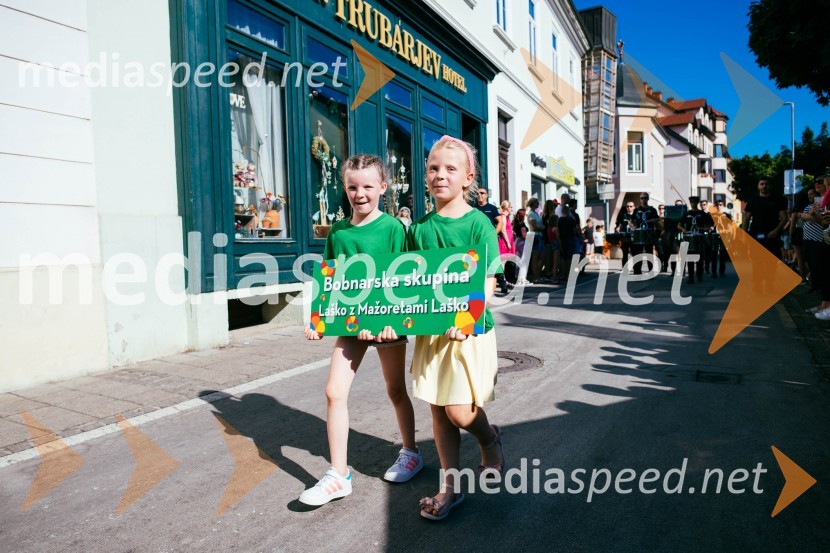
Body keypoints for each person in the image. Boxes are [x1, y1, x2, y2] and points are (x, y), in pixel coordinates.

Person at [299, 154, 422, 506]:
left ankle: (411, 452)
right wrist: (318, 320)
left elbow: (409, 278)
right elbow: (328, 275)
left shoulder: (395, 229)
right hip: (350, 322)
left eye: (368, 186)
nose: (360, 194)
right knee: (334, 391)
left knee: (396, 389)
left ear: (383, 187)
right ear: (344, 188)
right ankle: (339, 474)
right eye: (353, 187)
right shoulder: (337, 231)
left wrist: (394, 321)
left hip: (386, 322)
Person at [409, 136, 504, 521]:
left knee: (460, 411)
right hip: (433, 330)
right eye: (433, 168)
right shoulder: (419, 228)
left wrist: (466, 321)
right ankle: (450, 488)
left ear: (468, 178)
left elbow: (488, 280)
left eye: (450, 169)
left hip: (470, 328)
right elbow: (406, 283)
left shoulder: (478, 222)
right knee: (438, 408)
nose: (440, 175)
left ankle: (489, 439)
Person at [742, 178, 788, 258]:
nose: (764, 186)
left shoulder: (778, 200)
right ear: (758, 186)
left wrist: (776, 231)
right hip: (756, 236)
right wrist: (744, 235)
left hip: (773, 237)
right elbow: (746, 218)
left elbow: (784, 218)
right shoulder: (753, 201)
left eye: (767, 184)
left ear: (771, 186)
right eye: (762, 184)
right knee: (757, 264)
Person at [476, 188, 509, 294]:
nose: (479, 195)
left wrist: (493, 234)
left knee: (494, 262)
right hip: (477, 240)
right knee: (478, 262)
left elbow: (500, 222)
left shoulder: (492, 208)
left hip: (490, 240)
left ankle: (503, 285)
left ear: (486, 195)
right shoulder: (473, 209)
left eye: (482, 193)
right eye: (477, 193)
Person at [679, 196, 707, 284]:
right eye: (691, 201)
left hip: (699, 237)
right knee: (690, 257)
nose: (693, 203)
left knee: (700, 258)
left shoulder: (702, 213)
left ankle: (699, 276)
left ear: (697, 202)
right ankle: (691, 277)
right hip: (689, 238)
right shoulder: (687, 214)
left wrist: (706, 228)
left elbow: (709, 224)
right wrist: (684, 230)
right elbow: (679, 225)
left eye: (695, 201)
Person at [632, 193, 659, 274]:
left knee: (649, 253)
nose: (643, 199)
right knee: (637, 253)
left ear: (648, 199)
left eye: (645, 198)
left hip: (648, 234)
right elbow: (632, 220)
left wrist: (654, 221)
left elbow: (657, 219)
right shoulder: (636, 210)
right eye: (642, 198)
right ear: (640, 199)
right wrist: (632, 225)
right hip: (639, 234)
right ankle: (637, 271)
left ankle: (651, 272)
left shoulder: (652, 209)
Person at [526, 197, 545, 283]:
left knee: (540, 256)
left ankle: (538, 275)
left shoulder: (536, 213)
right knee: (535, 257)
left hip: (539, 236)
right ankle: (535, 276)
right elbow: (534, 227)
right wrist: (542, 228)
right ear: (533, 203)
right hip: (535, 236)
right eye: (537, 203)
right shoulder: (531, 214)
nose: (538, 204)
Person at [498, 200, 516, 285]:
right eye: (510, 207)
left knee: (505, 261)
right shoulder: (503, 217)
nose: (511, 209)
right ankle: (502, 280)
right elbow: (503, 230)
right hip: (504, 241)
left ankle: (504, 279)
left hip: (508, 240)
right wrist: (508, 243)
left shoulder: (506, 217)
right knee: (503, 261)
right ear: (506, 208)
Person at [615, 200, 637, 268]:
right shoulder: (623, 215)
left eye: (631, 206)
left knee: (634, 254)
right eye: (627, 206)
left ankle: (636, 269)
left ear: (634, 207)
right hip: (625, 237)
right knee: (625, 254)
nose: (629, 208)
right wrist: (618, 228)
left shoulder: (636, 216)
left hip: (634, 237)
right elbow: (619, 224)